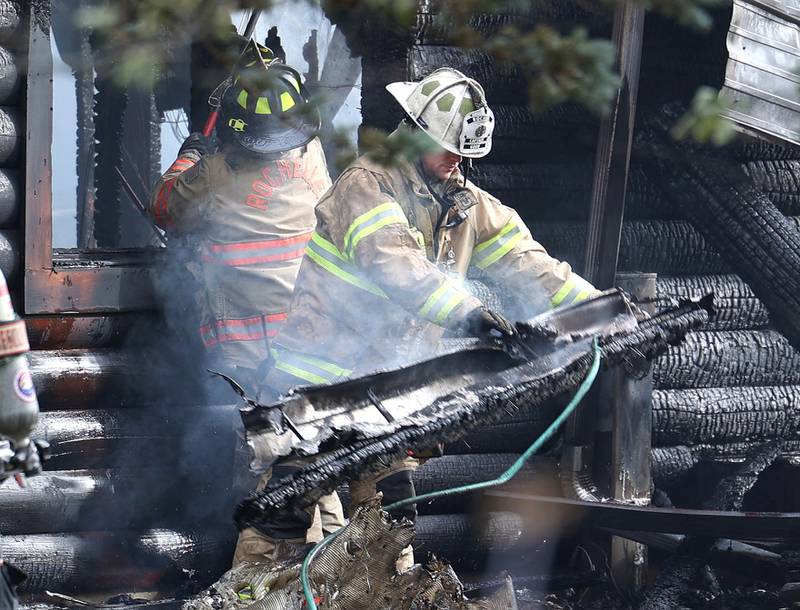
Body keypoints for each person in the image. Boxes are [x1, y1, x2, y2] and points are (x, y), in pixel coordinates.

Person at [253, 67, 601, 570]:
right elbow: (399, 266)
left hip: (384, 399)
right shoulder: (366, 185)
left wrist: (602, 311)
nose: (457, 162)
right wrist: (471, 316)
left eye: (464, 154)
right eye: (447, 148)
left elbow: (532, 264)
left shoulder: (463, 202)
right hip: (314, 390)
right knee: (280, 531)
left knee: (391, 531)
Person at [147, 45, 345, 566]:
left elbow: (164, 207)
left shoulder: (213, 172)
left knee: (260, 469)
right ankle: (332, 573)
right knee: (311, 459)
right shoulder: (314, 155)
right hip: (311, 339)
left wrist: (192, 151)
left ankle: (255, 578)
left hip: (243, 352)